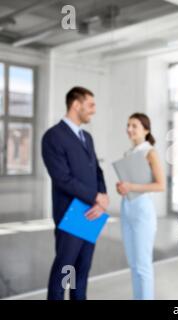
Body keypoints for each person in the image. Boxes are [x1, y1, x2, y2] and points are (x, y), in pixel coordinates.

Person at [42, 86, 109, 300]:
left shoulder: (86, 137)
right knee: (65, 272)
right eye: (90, 105)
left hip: (92, 213)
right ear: (76, 105)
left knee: (81, 273)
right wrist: (95, 197)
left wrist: (103, 198)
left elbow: (97, 170)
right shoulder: (53, 136)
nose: (93, 110)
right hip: (70, 214)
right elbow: (62, 178)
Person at [116, 113, 165, 300]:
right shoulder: (128, 154)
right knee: (133, 264)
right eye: (128, 125)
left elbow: (160, 185)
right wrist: (122, 188)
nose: (129, 129)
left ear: (145, 129)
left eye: (134, 126)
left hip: (142, 210)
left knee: (143, 265)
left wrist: (131, 186)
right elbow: (129, 184)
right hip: (126, 206)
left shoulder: (150, 152)